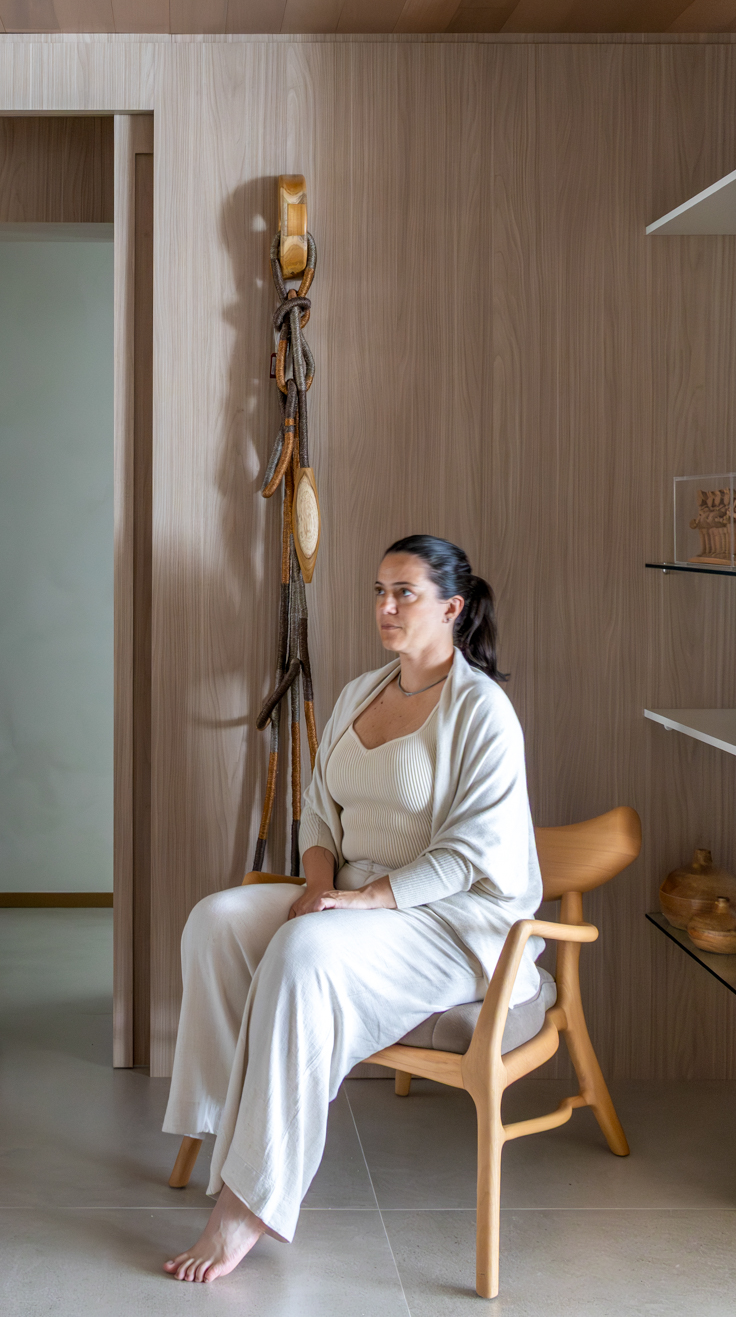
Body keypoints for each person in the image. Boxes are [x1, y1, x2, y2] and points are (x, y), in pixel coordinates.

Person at [162, 534, 541, 1282]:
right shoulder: (360, 693)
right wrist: (316, 886)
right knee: (217, 919)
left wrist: (365, 901)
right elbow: (317, 809)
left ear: (452, 608)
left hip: (450, 920)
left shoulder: (482, 710)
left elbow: (473, 853)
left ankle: (250, 1200)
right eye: (378, 591)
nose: (385, 607)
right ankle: (220, 1123)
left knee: (304, 951)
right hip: (350, 891)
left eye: (404, 593)